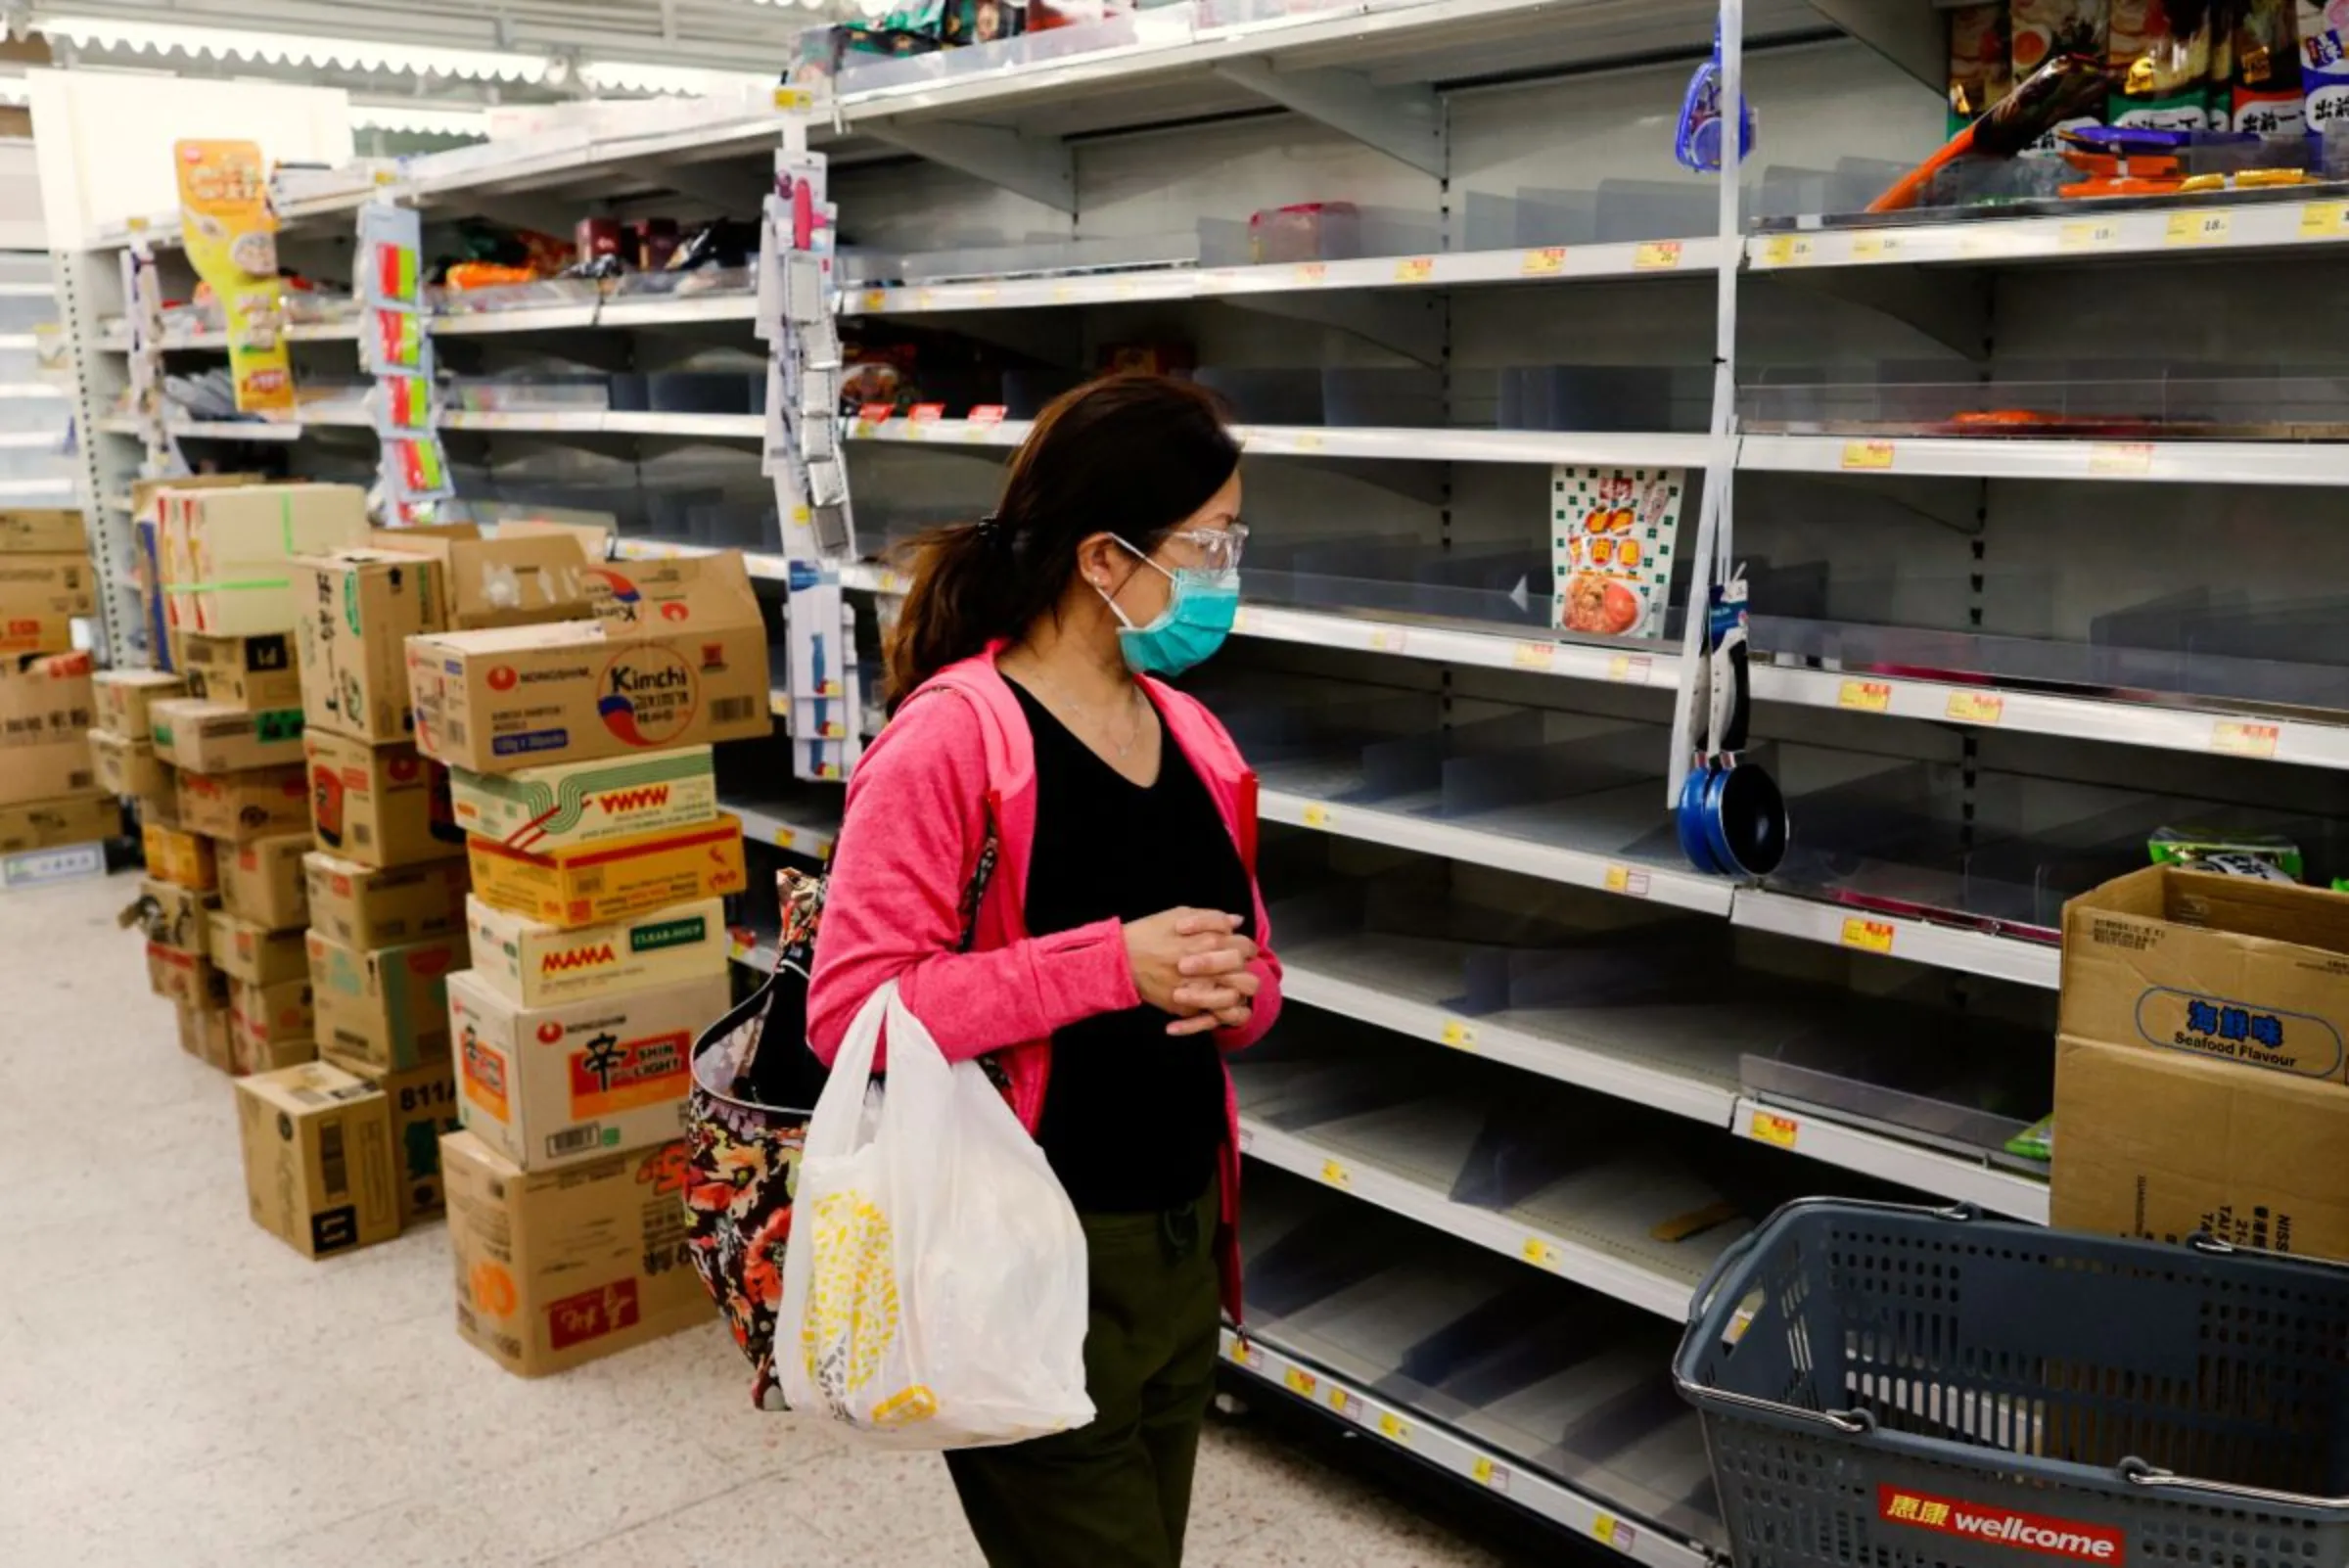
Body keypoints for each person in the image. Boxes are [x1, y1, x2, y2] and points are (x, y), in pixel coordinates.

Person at [806, 373, 1280, 1568]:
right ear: (1104, 560)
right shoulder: (952, 738)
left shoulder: (1194, 734)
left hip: (1177, 1243)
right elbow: (851, 1009)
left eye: (1236, 537)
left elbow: (1250, 964)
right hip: (1015, 1248)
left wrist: (1243, 994)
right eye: (1209, 541)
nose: (1228, 569)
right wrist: (1110, 966)